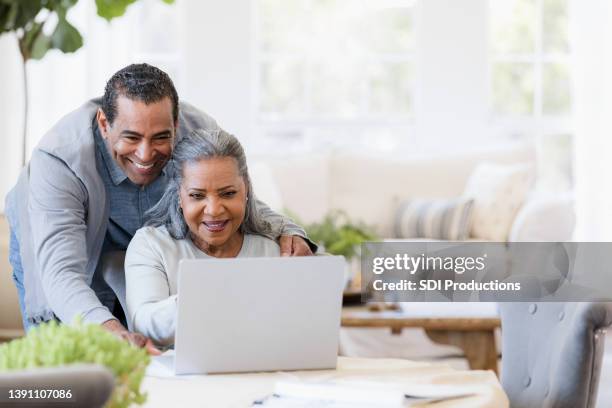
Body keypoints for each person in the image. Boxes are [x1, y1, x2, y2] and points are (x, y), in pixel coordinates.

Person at [5, 63, 314, 352]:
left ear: (176, 124)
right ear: (103, 124)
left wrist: (287, 230)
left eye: (160, 137)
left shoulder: (197, 131)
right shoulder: (61, 157)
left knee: (137, 348)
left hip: (140, 237)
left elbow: (230, 193)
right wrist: (108, 328)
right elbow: (61, 274)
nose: (146, 154)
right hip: (63, 239)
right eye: (131, 137)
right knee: (70, 343)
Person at [125, 128, 280, 346]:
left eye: (228, 193)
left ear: (246, 190)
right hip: (182, 379)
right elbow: (145, 324)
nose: (214, 210)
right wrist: (208, 296)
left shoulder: (271, 249)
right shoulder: (152, 245)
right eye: (197, 196)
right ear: (179, 195)